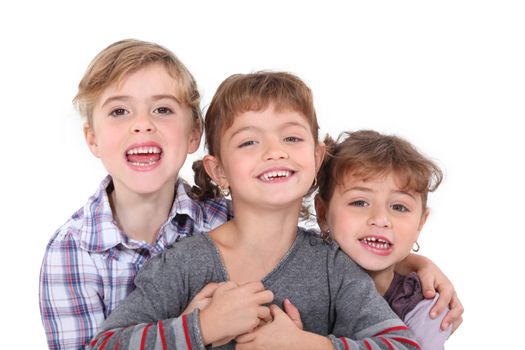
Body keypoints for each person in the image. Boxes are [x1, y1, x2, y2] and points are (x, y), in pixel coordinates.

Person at [40, 39, 460, 349]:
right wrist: (199, 329)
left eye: (291, 138)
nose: (275, 152)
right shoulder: (185, 259)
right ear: (217, 168)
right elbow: (102, 346)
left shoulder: (333, 267)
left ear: (317, 156)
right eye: (248, 142)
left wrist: (308, 345)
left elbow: (403, 345)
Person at [39, 39, 231, 350]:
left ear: (194, 133)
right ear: (93, 139)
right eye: (119, 111)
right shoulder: (72, 251)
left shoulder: (228, 222)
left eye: (163, 109)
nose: (142, 124)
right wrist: (192, 330)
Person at [315, 130, 454, 349]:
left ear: (420, 223)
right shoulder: (302, 264)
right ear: (323, 212)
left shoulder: (426, 310)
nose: (380, 220)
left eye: (399, 207)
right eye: (360, 202)